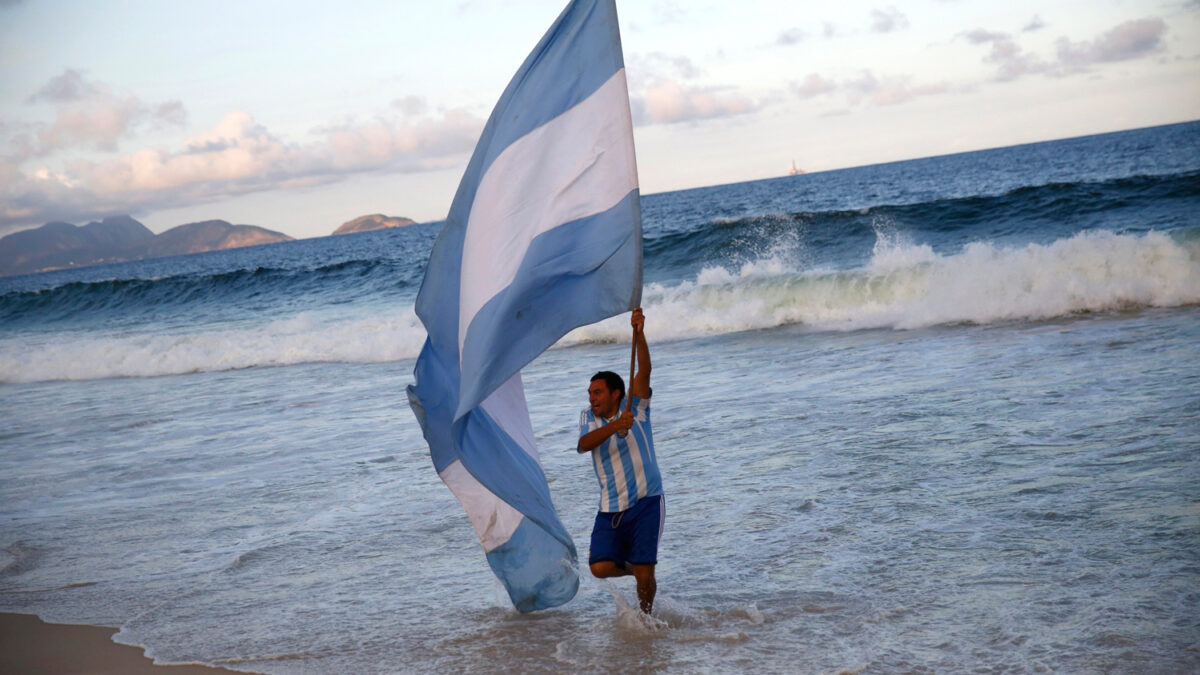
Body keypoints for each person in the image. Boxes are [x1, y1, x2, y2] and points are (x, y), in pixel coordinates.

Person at [577, 307, 664, 614]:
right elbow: (583, 445)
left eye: (598, 393)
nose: (592, 398)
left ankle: (646, 618)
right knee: (599, 567)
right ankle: (638, 570)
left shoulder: (636, 407)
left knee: (644, 576)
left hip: (646, 501)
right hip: (610, 507)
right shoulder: (589, 418)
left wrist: (639, 334)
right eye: (590, 393)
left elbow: (645, 372)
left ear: (616, 393)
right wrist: (616, 426)